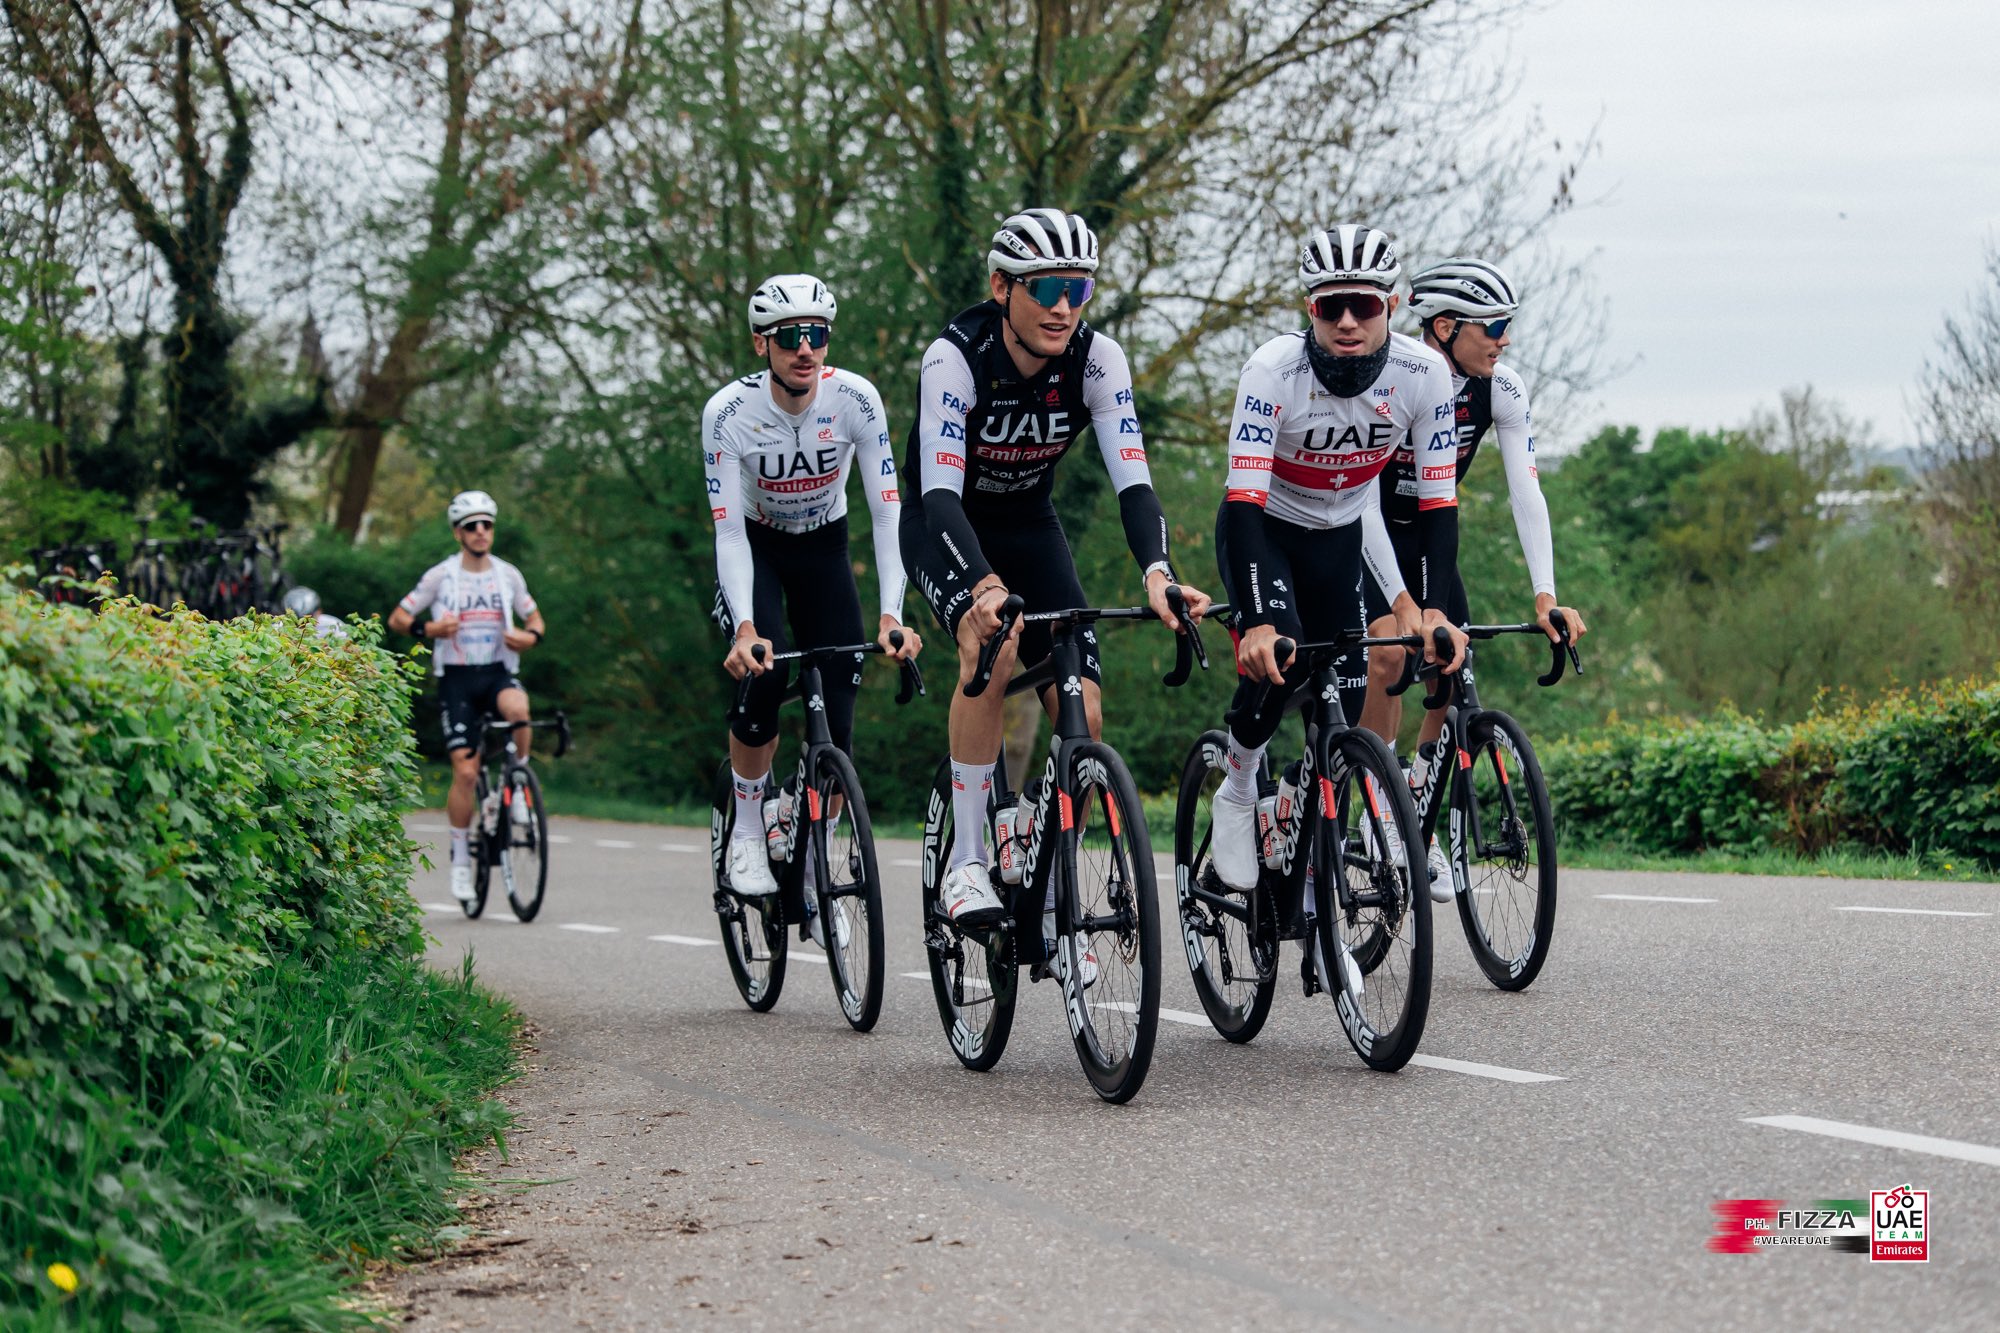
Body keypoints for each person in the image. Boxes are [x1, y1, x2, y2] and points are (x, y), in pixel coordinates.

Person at [899, 206, 1212, 956]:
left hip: (1031, 524)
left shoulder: (1097, 360)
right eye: (1045, 288)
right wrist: (981, 584)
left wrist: (1159, 572)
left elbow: (1133, 482)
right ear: (1001, 288)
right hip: (948, 524)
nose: (1063, 306)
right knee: (993, 645)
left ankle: (1040, 861)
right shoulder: (956, 356)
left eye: (1078, 288)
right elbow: (938, 492)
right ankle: (968, 860)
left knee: (1086, 711)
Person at [1207, 223, 1468, 897]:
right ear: (1309, 307)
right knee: (1281, 657)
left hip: (1340, 534)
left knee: (1347, 701)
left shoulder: (1424, 375)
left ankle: (1304, 822)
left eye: (1365, 304)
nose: (1348, 320)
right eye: (1331, 306)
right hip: (1265, 529)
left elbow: (1439, 503)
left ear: (1392, 305)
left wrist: (1432, 607)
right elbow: (1243, 499)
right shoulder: (1272, 371)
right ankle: (1238, 786)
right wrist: (1259, 620)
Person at [1356, 258, 1589, 891]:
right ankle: (1376, 808)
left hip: (1430, 532)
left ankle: (1413, 807)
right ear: (1445, 327)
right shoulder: (1391, 378)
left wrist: (1545, 596)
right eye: (1495, 326)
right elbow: (1362, 499)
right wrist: (1405, 605)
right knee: (1392, 654)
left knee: (1451, 667)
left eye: (1508, 325)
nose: (1505, 339)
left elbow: (1526, 492)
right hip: (1362, 526)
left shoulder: (1500, 387)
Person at [704, 273, 918, 944]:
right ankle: (747, 828)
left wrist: (891, 614)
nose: (805, 348)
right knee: (765, 674)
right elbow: (727, 533)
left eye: (817, 334)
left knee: (841, 722)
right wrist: (744, 626)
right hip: (757, 548)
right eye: (791, 336)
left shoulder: (856, 399)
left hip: (826, 546)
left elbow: (888, 514)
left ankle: (813, 864)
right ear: (761, 343)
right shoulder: (727, 412)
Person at [387, 491, 546, 905]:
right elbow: (398, 618)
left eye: (487, 525)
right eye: (471, 526)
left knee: (519, 709)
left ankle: (519, 784)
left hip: (497, 673)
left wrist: (529, 637)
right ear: (458, 533)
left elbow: (535, 618)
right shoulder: (441, 576)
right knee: (466, 772)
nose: (480, 532)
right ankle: (460, 859)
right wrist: (428, 630)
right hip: (456, 679)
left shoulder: (508, 575)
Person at [282, 584, 347, 639]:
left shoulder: (334, 625)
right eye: (297, 622)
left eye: (308, 620)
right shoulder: (279, 628)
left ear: (319, 611)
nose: (302, 627)